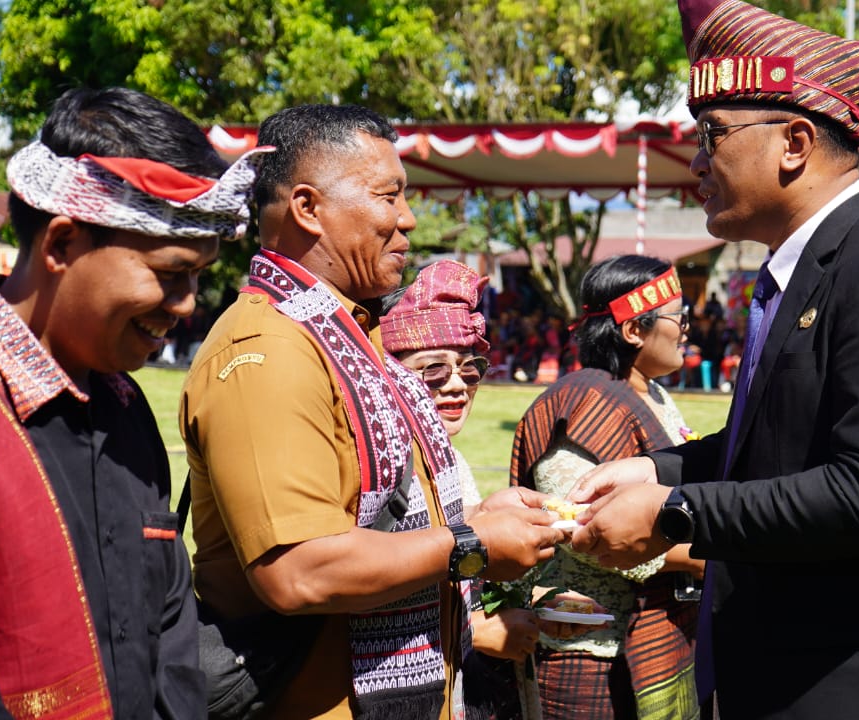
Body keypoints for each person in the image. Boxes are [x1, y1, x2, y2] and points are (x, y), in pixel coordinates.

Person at [562, 1, 859, 718]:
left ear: (793, 142)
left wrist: (676, 511)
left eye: (713, 136)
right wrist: (659, 468)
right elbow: (788, 443)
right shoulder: (808, 272)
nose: (696, 160)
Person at [0, 86, 254, 718]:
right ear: (62, 245)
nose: (187, 305)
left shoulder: (125, 410)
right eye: (171, 273)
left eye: (199, 277)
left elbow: (172, 649)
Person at [179, 104, 566, 720]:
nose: (407, 219)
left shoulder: (348, 334)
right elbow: (298, 570)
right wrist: (472, 543)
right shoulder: (271, 347)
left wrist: (472, 515)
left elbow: (373, 514)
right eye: (389, 196)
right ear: (308, 208)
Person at [511, 255, 704, 720]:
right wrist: (709, 554)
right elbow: (581, 530)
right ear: (634, 330)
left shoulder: (653, 393)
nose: (687, 330)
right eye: (680, 317)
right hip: (592, 653)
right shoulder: (579, 404)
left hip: (658, 635)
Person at [381, 258, 546, 718]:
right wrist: (478, 628)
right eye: (433, 368)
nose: (457, 385)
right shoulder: (380, 459)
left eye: (469, 368)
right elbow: (346, 578)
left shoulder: (448, 457)